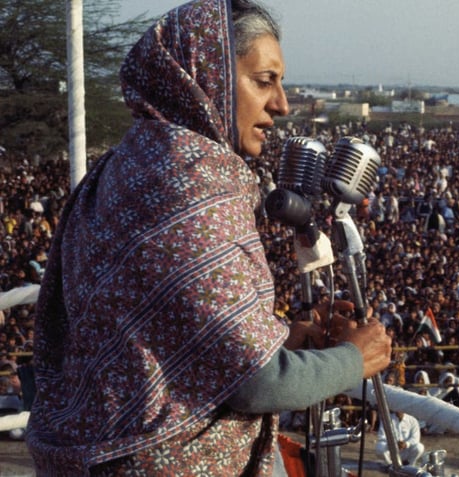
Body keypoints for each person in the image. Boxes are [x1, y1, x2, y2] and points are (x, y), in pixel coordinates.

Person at [25, 1, 392, 475]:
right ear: (207, 75)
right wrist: (352, 359)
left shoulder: (123, 166)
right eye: (264, 81)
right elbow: (258, 384)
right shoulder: (194, 184)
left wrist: (280, 337)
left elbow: (158, 336)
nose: (281, 105)